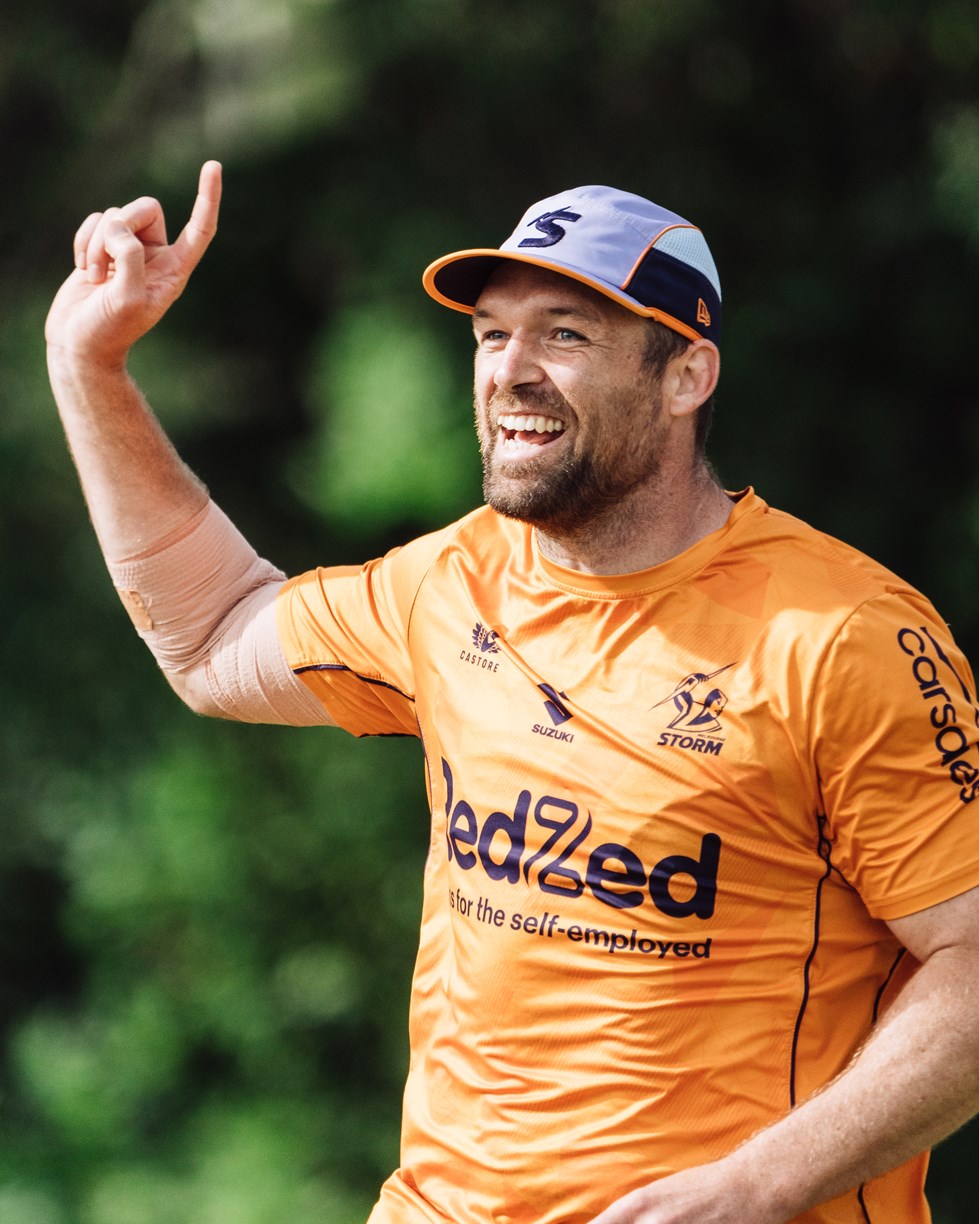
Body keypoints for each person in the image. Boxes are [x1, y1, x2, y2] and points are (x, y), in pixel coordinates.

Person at [45, 162, 979, 1224]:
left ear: (686, 375)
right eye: (492, 334)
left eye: (564, 335)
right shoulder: (452, 580)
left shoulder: (844, 637)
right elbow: (212, 637)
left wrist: (761, 1184)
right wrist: (88, 365)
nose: (511, 371)